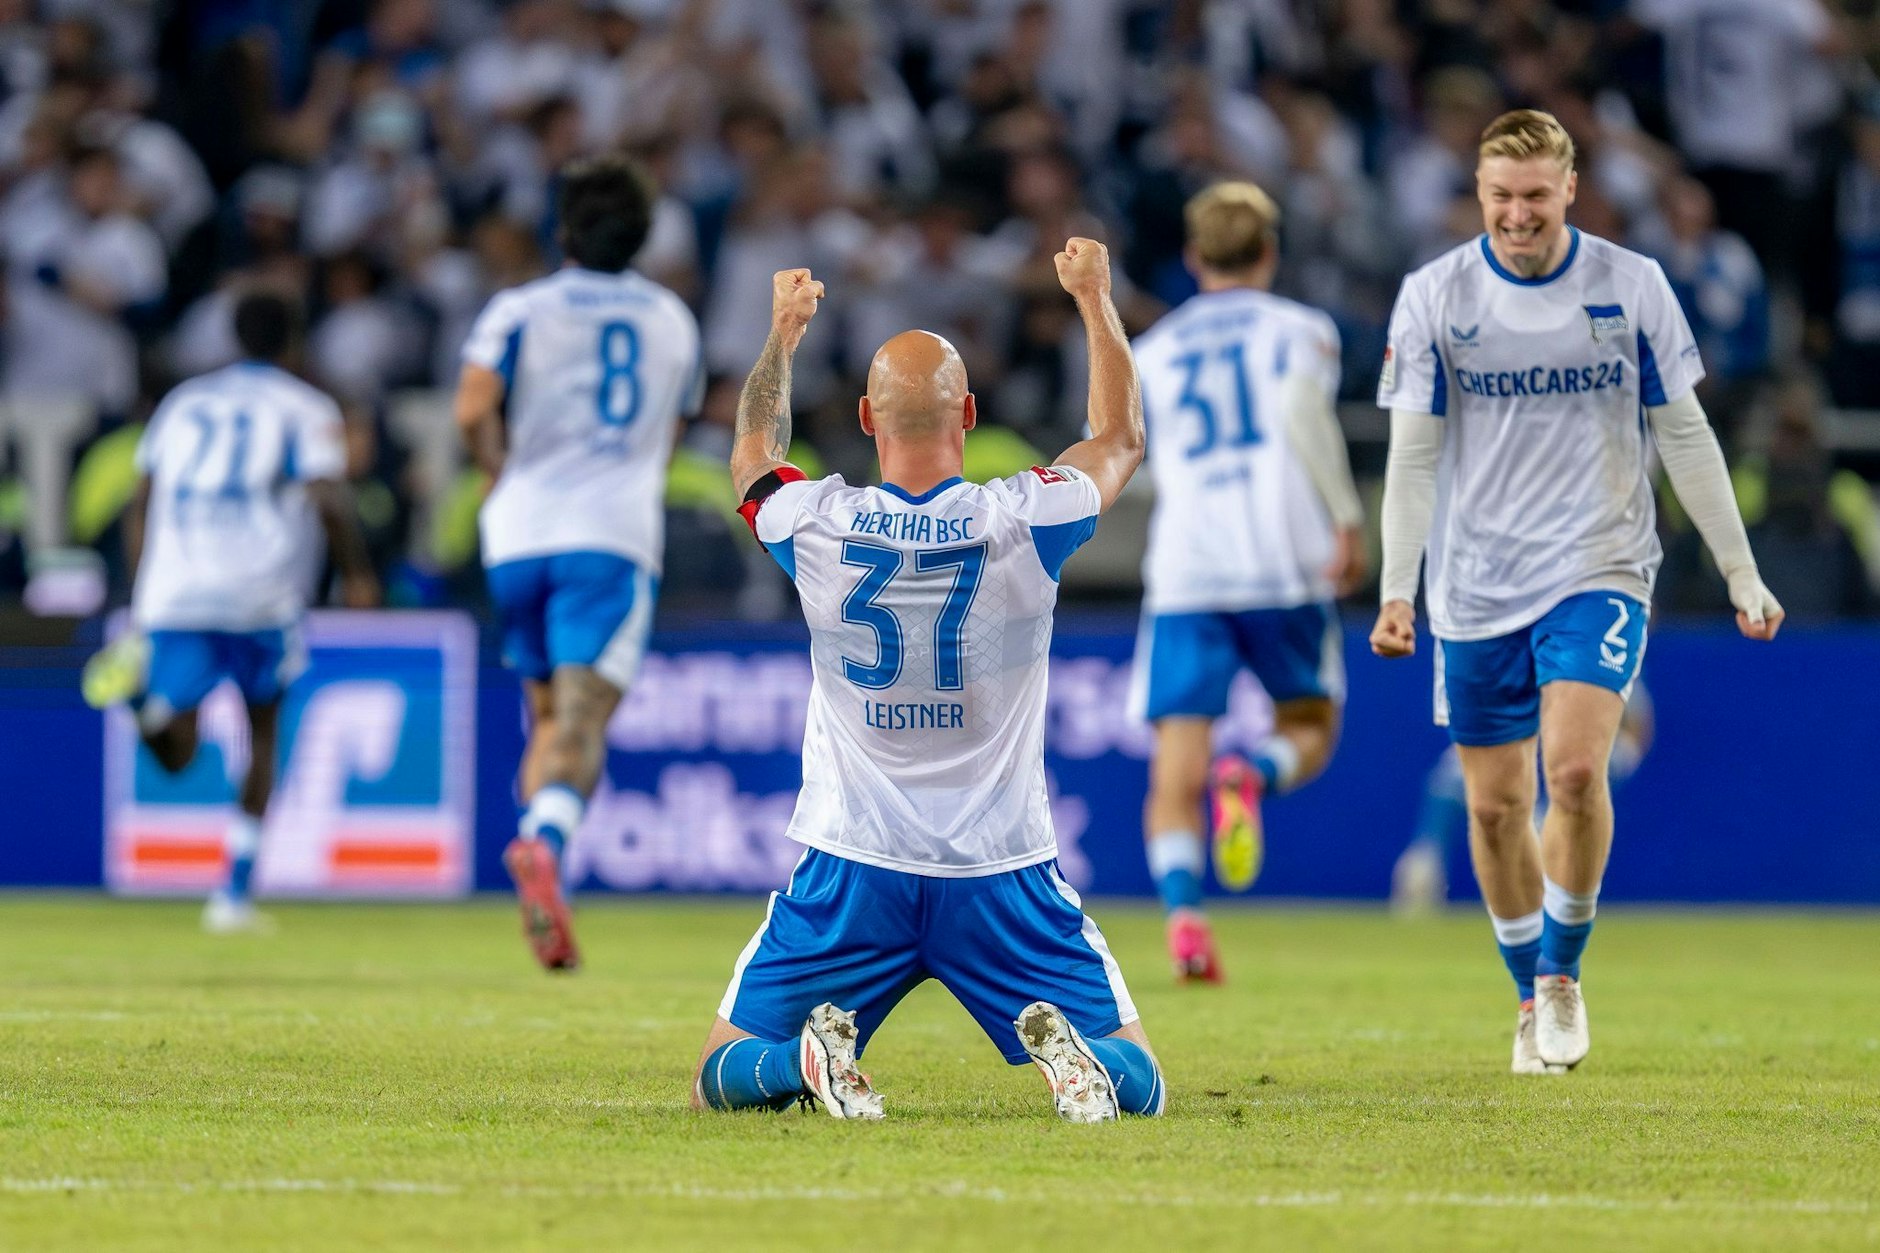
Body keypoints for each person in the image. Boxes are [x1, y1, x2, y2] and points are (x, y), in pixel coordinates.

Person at [691, 241, 1165, 1122]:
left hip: (853, 864)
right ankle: (1074, 1067)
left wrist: (784, 334)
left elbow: (754, 452)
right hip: (1000, 868)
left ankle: (803, 1063)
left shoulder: (814, 524)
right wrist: (1096, 298)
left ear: (868, 419)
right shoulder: (1026, 518)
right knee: (1139, 1079)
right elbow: (1121, 439)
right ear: (971, 414)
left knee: (720, 1075)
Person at [1370, 110, 1783, 1075]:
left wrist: (1740, 568)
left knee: (1577, 771)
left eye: (1536, 196)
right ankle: (1526, 990)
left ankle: (1561, 974)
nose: (1519, 215)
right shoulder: (1434, 297)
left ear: (1569, 189)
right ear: (1480, 195)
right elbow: (1414, 455)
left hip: (1599, 562)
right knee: (1494, 808)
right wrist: (1399, 588)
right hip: (1474, 583)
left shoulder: (1632, 286)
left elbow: (1683, 434)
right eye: (1501, 197)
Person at [455, 155, 702, 972]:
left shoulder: (517, 307)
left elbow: (471, 409)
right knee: (580, 720)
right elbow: (667, 434)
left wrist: (499, 475)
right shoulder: (672, 319)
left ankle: (538, 845)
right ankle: (544, 843)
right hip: (610, 532)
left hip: (517, 534)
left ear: (562, 226)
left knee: (544, 716)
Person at [1128, 181, 1366, 984]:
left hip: (1188, 568)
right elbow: (1307, 417)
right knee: (1311, 722)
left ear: (1194, 258)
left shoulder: (1153, 349)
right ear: (1270, 250)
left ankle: (1186, 920)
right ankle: (1255, 772)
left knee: (1174, 772)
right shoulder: (1303, 329)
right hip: (1283, 559)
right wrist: (1346, 517)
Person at [81, 291, 379, 932]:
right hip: (259, 593)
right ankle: (232, 897)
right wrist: (357, 572)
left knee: (178, 753)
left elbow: (142, 499)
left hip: (175, 590)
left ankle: (141, 702)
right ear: (294, 344)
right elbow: (328, 493)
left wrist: (142, 592)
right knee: (262, 734)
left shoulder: (183, 402)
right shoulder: (305, 407)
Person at [1392, 685, 1655, 915]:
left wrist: (1616, 756)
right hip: (1512, 738)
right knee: (1450, 782)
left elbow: (1637, 727)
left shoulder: (1603, 644)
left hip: (1563, 753)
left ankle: (1552, 906)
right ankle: (1423, 867)